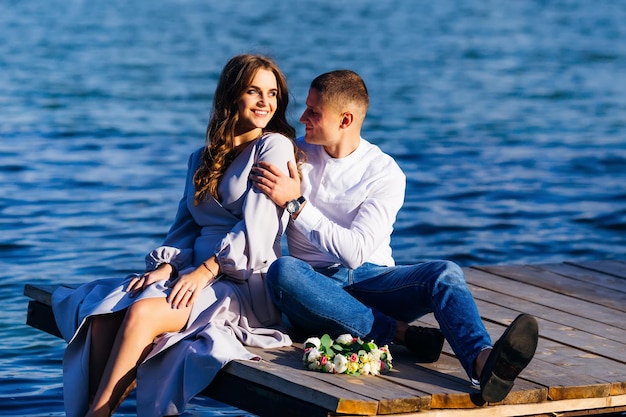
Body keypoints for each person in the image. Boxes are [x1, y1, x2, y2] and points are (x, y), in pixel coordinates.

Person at [250, 69, 539, 403]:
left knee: (444, 273)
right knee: (283, 272)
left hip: (376, 280)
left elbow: (355, 252)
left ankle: (485, 362)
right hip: (315, 288)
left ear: (346, 120)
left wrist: (297, 204)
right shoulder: (292, 156)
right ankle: (398, 333)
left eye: (314, 112)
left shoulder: (384, 172)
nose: (302, 118)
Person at [52, 54, 302, 417]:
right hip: (191, 276)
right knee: (105, 313)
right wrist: (168, 267)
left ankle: (99, 413)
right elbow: (185, 227)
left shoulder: (272, 147)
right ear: (233, 95)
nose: (266, 102)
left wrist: (207, 271)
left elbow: (259, 228)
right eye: (254, 91)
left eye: (273, 94)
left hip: (243, 282)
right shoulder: (201, 158)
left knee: (141, 314)